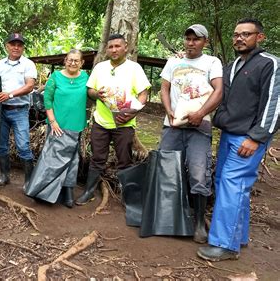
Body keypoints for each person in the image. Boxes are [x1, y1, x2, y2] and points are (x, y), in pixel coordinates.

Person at [198, 18, 279, 261]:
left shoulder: (270, 64)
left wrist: (256, 137)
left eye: (246, 34)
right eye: (236, 35)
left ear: (259, 37)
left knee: (233, 185)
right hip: (228, 135)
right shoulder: (233, 65)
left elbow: (274, 106)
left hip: (248, 138)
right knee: (228, 184)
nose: (239, 38)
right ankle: (238, 237)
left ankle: (224, 245)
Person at [159, 24, 223, 243]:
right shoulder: (173, 62)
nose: (190, 43)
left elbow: (218, 91)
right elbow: (164, 89)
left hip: (199, 127)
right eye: (187, 39)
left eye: (196, 39)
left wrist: (201, 113)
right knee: (168, 170)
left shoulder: (212, 62)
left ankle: (198, 223)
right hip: (172, 127)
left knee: (198, 174)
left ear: (205, 41)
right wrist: (168, 112)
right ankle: (168, 219)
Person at [76, 33, 151, 205]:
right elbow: (90, 91)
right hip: (101, 122)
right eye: (110, 47)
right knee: (97, 158)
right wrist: (97, 94)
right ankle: (89, 191)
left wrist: (133, 112)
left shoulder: (134, 69)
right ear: (107, 49)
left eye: (118, 46)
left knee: (124, 159)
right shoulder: (100, 68)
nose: (114, 49)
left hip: (124, 123)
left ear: (126, 47)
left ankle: (127, 196)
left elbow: (143, 94)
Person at [25, 49, 89, 207]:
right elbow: (47, 98)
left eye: (76, 60)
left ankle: (67, 191)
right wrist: (52, 121)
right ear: (65, 61)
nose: (72, 63)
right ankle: (40, 189)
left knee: (73, 159)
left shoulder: (86, 78)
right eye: (70, 60)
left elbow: (93, 95)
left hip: (77, 124)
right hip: (57, 125)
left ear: (81, 63)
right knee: (52, 158)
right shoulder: (56, 77)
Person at [0, 33, 37, 189]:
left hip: (19, 110)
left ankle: (29, 181)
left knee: (23, 146)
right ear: (7, 46)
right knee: (1, 145)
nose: (16, 47)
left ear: (23, 48)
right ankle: (4, 176)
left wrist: (10, 94)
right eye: (13, 44)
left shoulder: (28, 64)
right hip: (0, 110)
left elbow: (29, 86)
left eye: (19, 45)